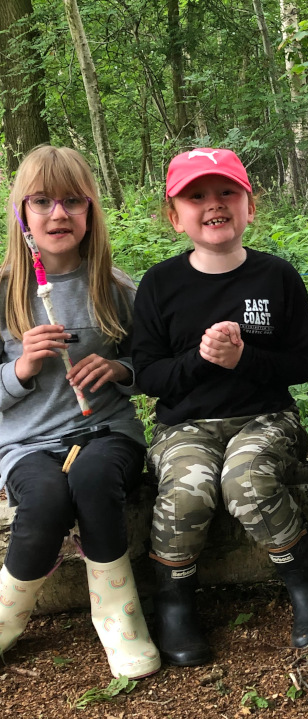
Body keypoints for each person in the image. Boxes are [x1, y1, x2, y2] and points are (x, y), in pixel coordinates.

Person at [132, 148, 308, 666]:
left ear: (251, 206)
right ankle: (175, 598)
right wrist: (203, 360)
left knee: (245, 478)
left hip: (266, 418)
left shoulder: (276, 276)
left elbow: (300, 364)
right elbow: (149, 375)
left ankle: (305, 575)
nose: (213, 204)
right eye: (195, 196)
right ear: (174, 216)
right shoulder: (159, 285)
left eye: (227, 192)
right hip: (184, 425)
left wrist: (243, 357)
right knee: (186, 490)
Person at [0, 145, 160, 679]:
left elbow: (153, 365)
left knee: (92, 479)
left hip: (106, 431)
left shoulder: (116, 289)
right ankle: (6, 620)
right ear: (21, 213)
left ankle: (120, 619)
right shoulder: (4, 295)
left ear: (91, 211)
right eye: (41, 202)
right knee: (44, 502)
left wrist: (120, 371)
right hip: (28, 445)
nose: (58, 214)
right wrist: (21, 369)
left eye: (73, 201)